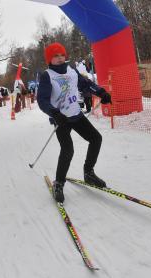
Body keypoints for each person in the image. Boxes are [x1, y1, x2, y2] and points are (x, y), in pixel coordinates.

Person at [37, 42, 112, 203]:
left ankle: (89, 173)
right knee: (68, 150)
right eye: (55, 56)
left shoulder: (71, 70)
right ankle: (59, 183)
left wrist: (101, 92)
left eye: (61, 55)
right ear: (49, 59)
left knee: (95, 138)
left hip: (76, 115)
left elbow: (85, 84)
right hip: (61, 119)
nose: (59, 58)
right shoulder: (47, 75)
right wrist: (54, 113)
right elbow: (42, 100)